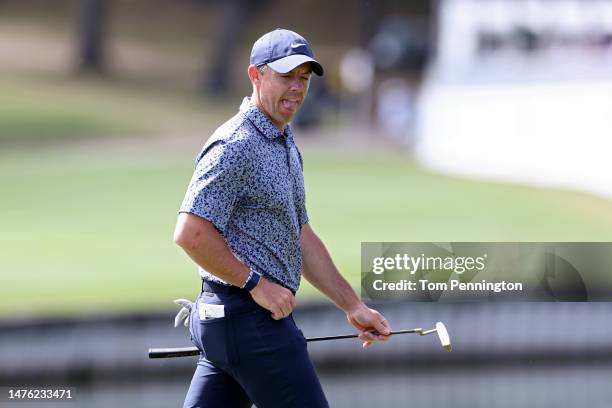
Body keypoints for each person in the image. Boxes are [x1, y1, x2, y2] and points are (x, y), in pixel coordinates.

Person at [173, 28, 392, 408]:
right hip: (251, 321)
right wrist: (257, 284)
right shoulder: (235, 145)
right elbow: (191, 232)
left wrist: (353, 306)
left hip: (228, 326)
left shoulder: (283, 141)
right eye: (287, 76)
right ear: (256, 75)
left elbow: (299, 235)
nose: (297, 88)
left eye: (304, 78)